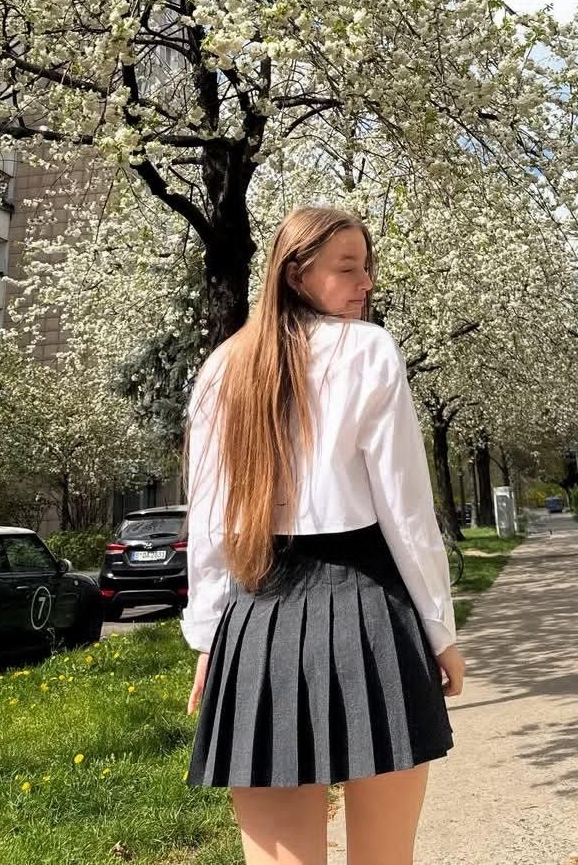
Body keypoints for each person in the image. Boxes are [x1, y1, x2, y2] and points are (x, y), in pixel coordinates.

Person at [181, 205, 466, 865]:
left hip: (257, 619)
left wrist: (209, 637)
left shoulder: (222, 367)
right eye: (347, 268)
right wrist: (439, 630)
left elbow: (211, 522)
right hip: (371, 610)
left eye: (367, 267)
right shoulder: (369, 350)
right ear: (296, 274)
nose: (366, 282)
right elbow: (406, 510)